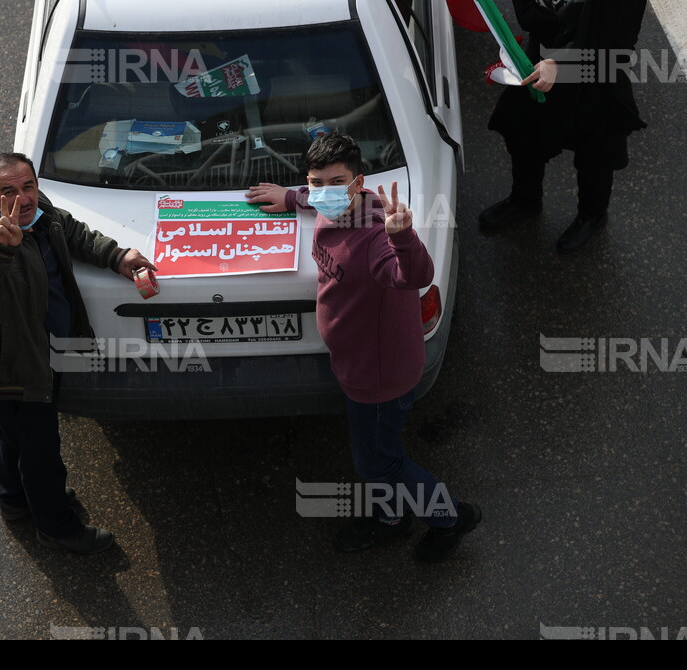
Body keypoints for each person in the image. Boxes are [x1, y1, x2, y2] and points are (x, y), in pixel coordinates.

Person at [246, 133, 481, 561]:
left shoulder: (376, 236)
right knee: (377, 455)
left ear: (359, 184)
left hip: (379, 378)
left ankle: (450, 517)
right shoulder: (326, 201)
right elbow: (313, 196)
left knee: (381, 464)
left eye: (336, 182)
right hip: (355, 367)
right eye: (316, 182)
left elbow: (412, 276)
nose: (324, 192)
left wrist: (403, 236)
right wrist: (292, 197)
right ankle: (392, 519)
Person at [0, 152, 156, 554]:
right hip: (11, 366)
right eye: (9, 191)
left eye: (28, 187)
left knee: (19, 437)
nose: (22, 199)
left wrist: (116, 256)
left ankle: (14, 500)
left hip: (46, 353)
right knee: (41, 452)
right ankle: (57, 528)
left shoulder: (39, 211)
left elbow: (73, 233)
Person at [479, 0, 648, 253]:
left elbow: (609, 42)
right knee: (522, 130)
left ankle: (592, 216)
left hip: (599, 72)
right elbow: (531, 18)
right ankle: (525, 200)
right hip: (544, 59)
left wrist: (561, 65)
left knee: (595, 152)